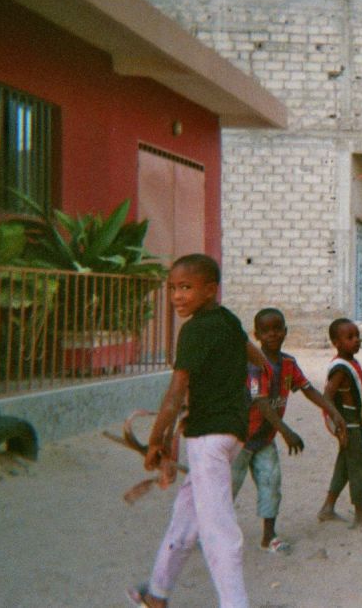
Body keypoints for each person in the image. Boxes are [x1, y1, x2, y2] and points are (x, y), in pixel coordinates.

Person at [129, 254, 268, 608]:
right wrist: (248, 388)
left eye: (186, 288)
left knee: (218, 531)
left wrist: (155, 441)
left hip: (207, 438)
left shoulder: (193, 331)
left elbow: (176, 392)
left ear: (210, 289)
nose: (177, 296)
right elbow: (257, 359)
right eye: (173, 288)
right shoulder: (228, 321)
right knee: (186, 519)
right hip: (231, 435)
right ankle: (157, 594)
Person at [231, 308, 347, 554]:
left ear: (285, 331)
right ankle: (206, 530)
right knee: (227, 489)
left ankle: (269, 537)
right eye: (266, 331)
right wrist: (286, 431)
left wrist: (333, 411)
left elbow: (308, 389)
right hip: (240, 438)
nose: (273, 334)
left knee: (271, 485)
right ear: (257, 335)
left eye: (277, 329)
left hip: (265, 439)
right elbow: (261, 402)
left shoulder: (288, 364)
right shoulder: (254, 365)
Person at [318, 318, 362, 527]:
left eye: (357, 336)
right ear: (336, 343)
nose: (356, 340)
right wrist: (338, 422)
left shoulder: (350, 362)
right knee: (359, 464)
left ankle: (327, 508)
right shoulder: (340, 368)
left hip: (355, 423)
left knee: (344, 464)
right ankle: (360, 513)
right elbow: (327, 396)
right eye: (350, 337)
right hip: (348, 425)